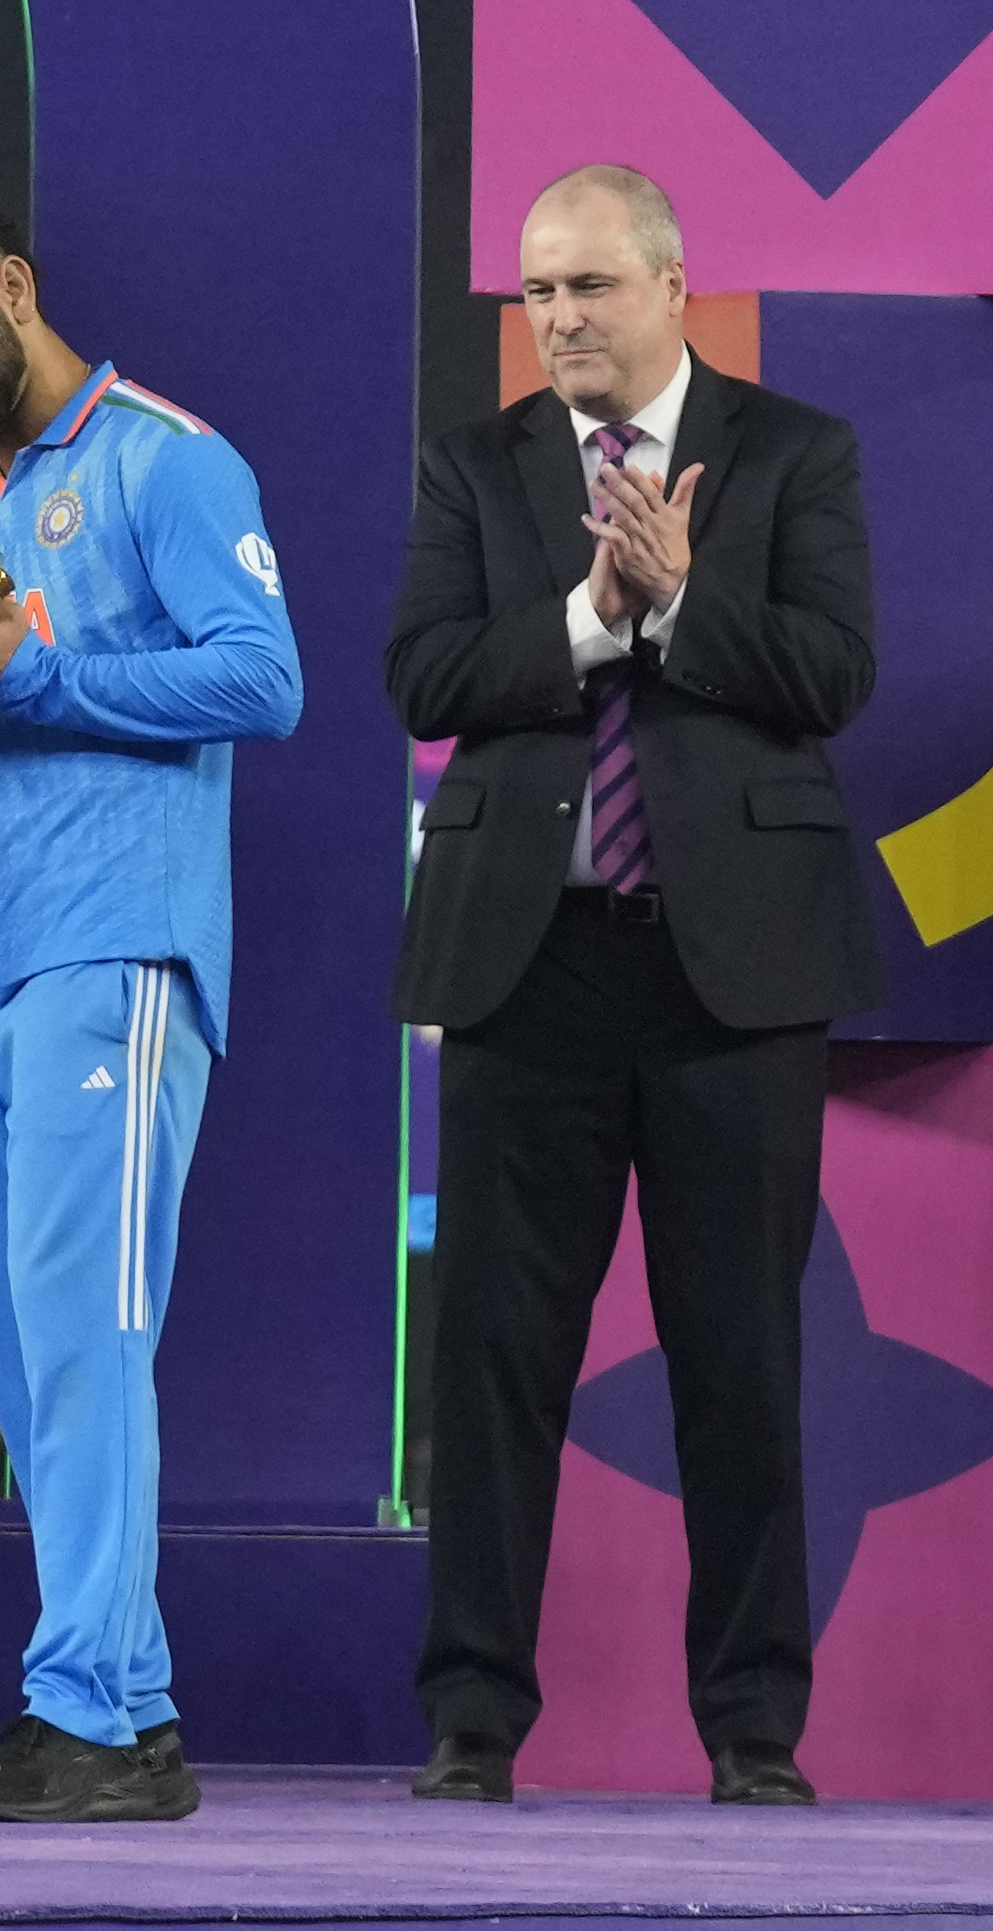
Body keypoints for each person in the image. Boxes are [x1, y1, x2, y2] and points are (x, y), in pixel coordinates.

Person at [0, 183, 300, 1824]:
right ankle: (125, 1712)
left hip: (123, 956)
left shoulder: (170, 459)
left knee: (87, 1350)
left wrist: (37, 677)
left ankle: (82, 1715)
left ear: (10, 284)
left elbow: (263, 679)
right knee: (29, 1369)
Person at [389, 164, 878, 1808]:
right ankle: (473, 1720)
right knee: (495, 1358)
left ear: (673, 285)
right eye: (538, 296)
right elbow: (428, 672)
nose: (561, 322)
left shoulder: (793, 451)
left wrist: (682, 599)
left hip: (733, 978)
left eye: (590, 289)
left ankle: (754, 1733)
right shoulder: (479, 468)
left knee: (740, 1358)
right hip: (528, 969)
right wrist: (591, 619)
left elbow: (833, 674)